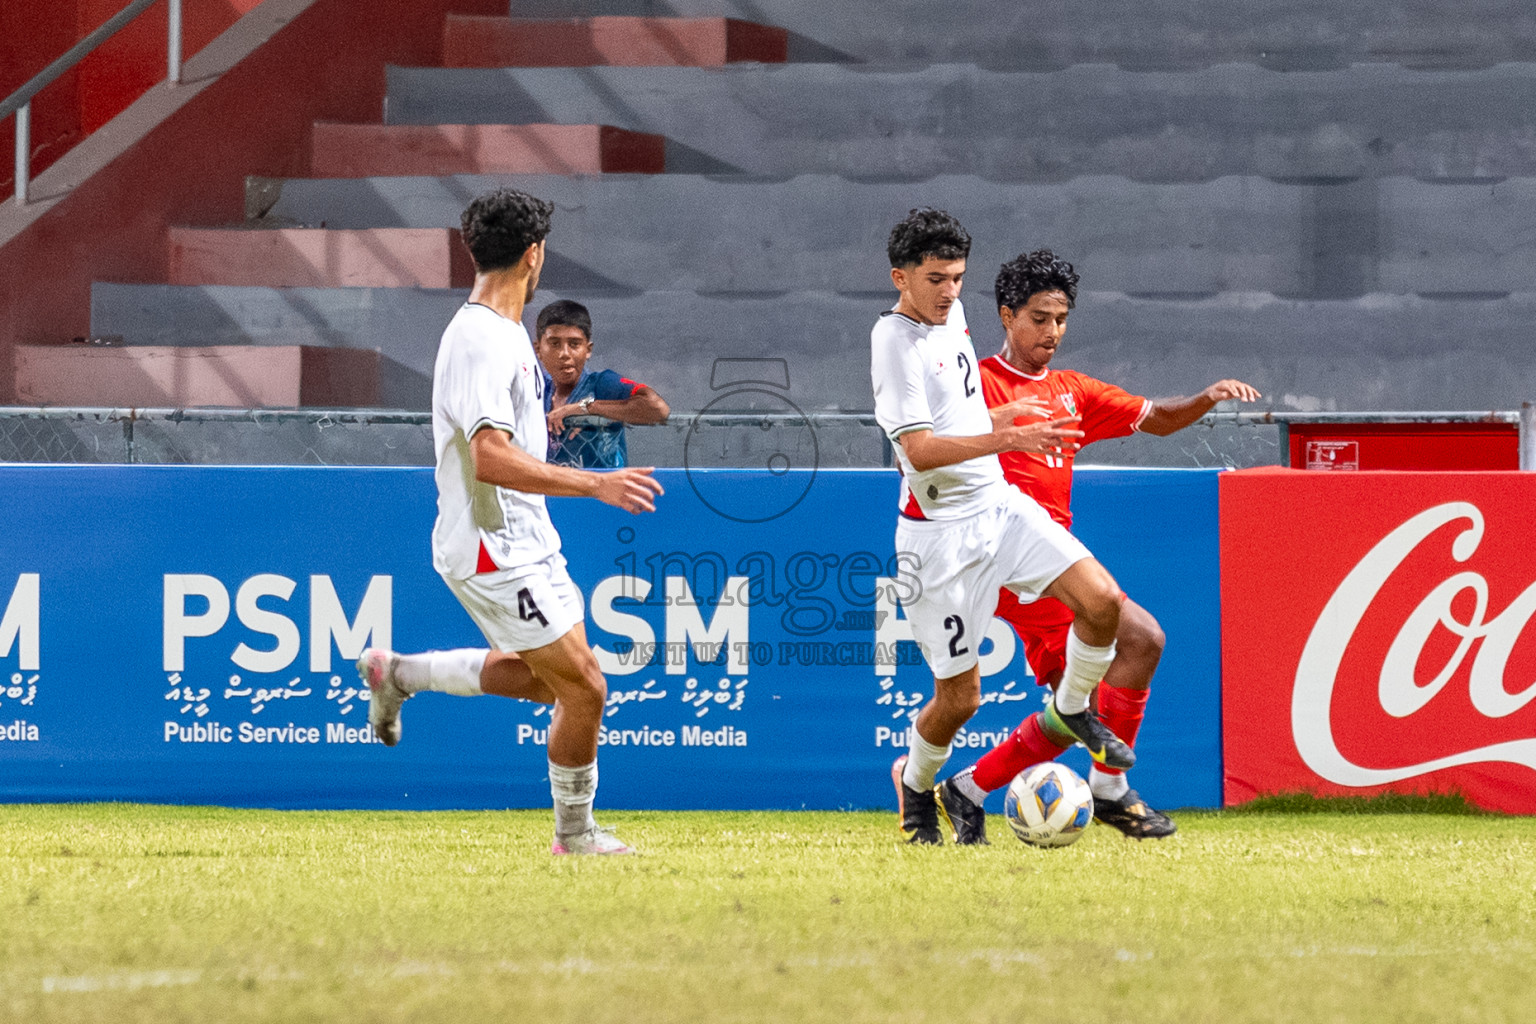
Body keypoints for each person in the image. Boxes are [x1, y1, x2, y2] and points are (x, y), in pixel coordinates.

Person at [355, 188, 664, 856]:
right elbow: (490, 458)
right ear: (535, 255)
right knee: (584, 686)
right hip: (492, 544)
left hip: (526, 537)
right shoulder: (481, 342)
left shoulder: (505, 336)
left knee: (549, 681)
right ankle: (574, 836)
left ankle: (399, 674)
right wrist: (596, 485)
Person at [932, 250, 1261, 843]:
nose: (1051, 332)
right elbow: (932, 447)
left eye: (1060, 319)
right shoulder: (977, 384)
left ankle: (969, 789)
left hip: (1055, 561)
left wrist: (1206, 397)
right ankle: (1108, 792)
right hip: (1009, 562)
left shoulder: (1071, 391)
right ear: (1007, 316)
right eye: (1038, 318)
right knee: (1134, 646)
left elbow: (1156, 418)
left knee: (1085, 699)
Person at [871, 208, 1137, 846]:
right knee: (959, 699)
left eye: (957, 277)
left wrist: (1002, 411)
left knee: (1102, 603)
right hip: (939, 537)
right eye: (935, 278)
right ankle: (915, 783)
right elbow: (921, 451)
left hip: (999, 506)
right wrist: (1008, 431)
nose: (949, 291)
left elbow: (957, 402)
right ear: (899, 278)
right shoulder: (893, 343)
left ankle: (1072, 706)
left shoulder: (950, 314)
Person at [535, 299, 670, 469]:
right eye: (555, 344)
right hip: (547, 492)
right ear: (538, 350)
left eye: (574, 344)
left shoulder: (602, 384)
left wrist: (586, 408)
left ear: (588, 350)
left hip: (602, 492)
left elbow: (658, 409)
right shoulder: (535, 388)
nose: (564, 354)